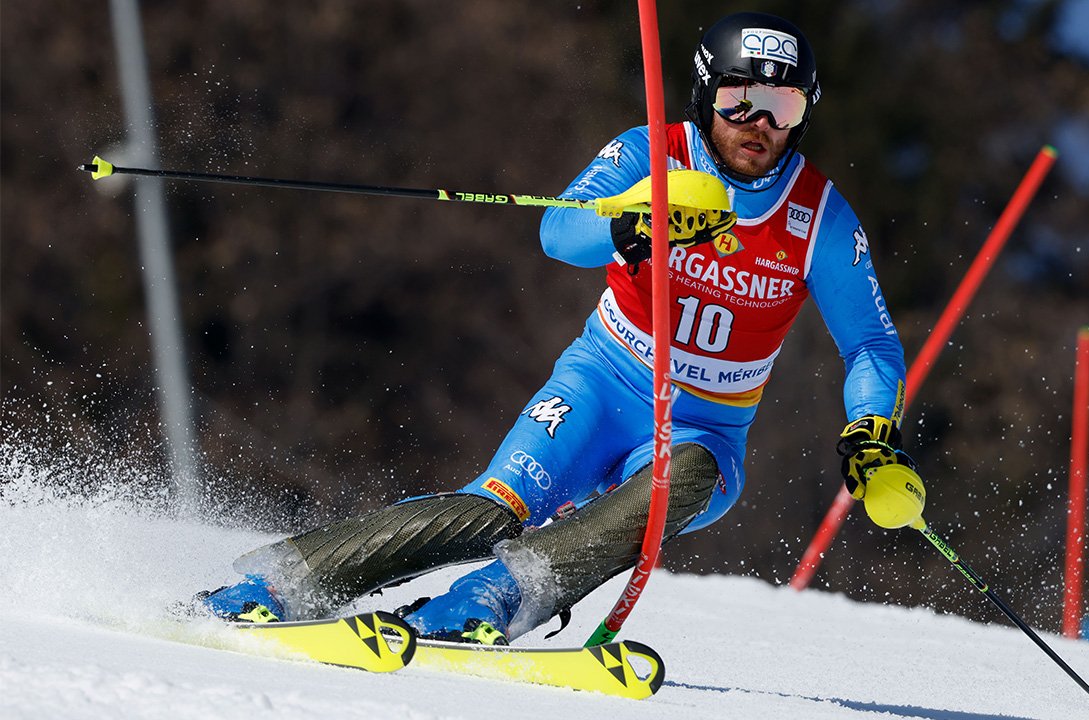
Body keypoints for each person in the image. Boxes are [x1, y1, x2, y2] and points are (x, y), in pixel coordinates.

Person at [196, 11, 914, 645]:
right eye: (738, 98)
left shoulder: (818, 217)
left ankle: (488, 601)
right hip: (602, 382)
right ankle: (281, 581)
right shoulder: (648, 154)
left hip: (707, 428)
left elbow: (871, 344)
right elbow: (558, 231)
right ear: (705, 94)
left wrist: (870, 431)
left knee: (677, 484)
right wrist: (635, 222)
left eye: (781, 105)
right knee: (493, 511)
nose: (758, 123)